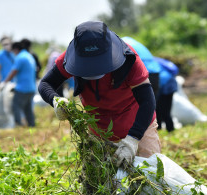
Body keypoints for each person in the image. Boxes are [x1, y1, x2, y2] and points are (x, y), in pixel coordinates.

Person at [38, 21, 161, 167]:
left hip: (137, 125)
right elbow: (45, 84)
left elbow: (147, 101)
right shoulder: (69, 58)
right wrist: (56, 100)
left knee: (151, 173)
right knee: (100, 183)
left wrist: (133, 139)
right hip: (99, 130)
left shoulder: (128, 59)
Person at [1, 41, 36, 127]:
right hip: (31, 87)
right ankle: (32, 124)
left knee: (15, 106)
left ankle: (18, 125)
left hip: (23, 88)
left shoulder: (20, 57)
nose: (13, 53)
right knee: (28, 108)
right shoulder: (29, 56)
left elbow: (13, 71)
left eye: (13, 51)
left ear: (16, 50)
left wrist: (4, 82)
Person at [154, 57, 179, 132]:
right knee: (161, 109)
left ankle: (169, 130)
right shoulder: (155, 60)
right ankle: (164, 129)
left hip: (165, 85)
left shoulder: (149, 63)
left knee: (163, 110)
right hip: (170, 83)